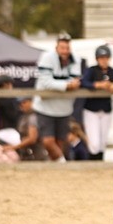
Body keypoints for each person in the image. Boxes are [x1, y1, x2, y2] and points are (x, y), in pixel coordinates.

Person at [33, 32, 83, 161]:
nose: (65, 51)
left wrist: (65, 85)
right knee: (48, 141)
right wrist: (66, 86)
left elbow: (75, 81)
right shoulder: (46, 58)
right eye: (62, 48)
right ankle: (62, 163)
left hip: (64, 108)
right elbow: (45, 82)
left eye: (67, 48)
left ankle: (54, 168)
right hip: (46, 107)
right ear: (56, 48)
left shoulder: (75, 59)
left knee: (61, 141)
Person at [80, 44, 113, 160]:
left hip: (105, 108)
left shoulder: (112, 72)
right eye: (101, 58)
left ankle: (100, 162)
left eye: (106, 57)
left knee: (102, 141)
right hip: (92, 109)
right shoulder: (92, 70)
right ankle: (92, 162)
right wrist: (97, 85)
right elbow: (83, 82)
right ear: (97, 59)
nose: (104, 60)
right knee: (94, 142)